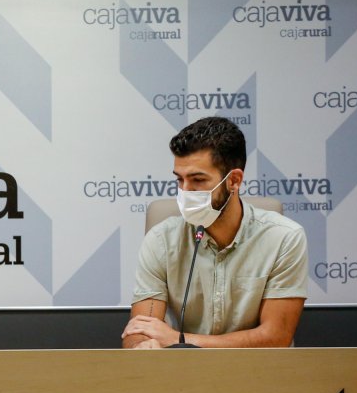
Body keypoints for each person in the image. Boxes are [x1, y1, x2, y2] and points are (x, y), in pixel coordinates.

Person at [122, 117, 308, 348]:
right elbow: (141, 329)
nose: (185, 191)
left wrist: (179, 340)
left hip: (259, 373)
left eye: (198, 180)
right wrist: (142, 345)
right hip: (183, 373)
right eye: (179, 180)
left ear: (234, 181)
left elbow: (275, 337)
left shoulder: (284, 238)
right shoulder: (161, 240)